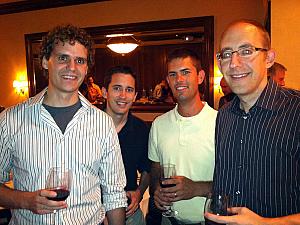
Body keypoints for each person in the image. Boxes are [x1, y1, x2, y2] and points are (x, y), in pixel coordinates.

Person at [0, 24, 127, 225]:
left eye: (79, 60)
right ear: (44, 61)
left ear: (86, 68)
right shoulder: (10, 120)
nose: (72, 67)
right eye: (62, 58)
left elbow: (114, 193)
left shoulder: (102, 123)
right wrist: (26, 200)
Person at [205, 20, 300, 225]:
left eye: (246, 51)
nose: (234, 63)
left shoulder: (296, 111)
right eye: (227, 54)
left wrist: (266, 223)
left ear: (269, 58)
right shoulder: (224, 116)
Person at [148, 48, 218, 225]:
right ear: (167, 81)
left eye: (185, 72)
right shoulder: (158, 124)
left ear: (200, 77)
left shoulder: (220, 123)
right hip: (168, 220)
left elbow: (235, 184)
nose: (179, 80)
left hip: (208, 221)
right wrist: (156, 192)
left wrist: (195, 188)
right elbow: (156, 172)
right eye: (173, 74)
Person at [102, 65, 151, 225]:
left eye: (129, 90)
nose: (123, 95)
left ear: (135, 95)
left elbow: (147, 168)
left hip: (129, 213)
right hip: (94, 214)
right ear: (104, 92)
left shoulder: (141, 129)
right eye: (117, 88)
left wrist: (139, 192)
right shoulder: (87, 127)